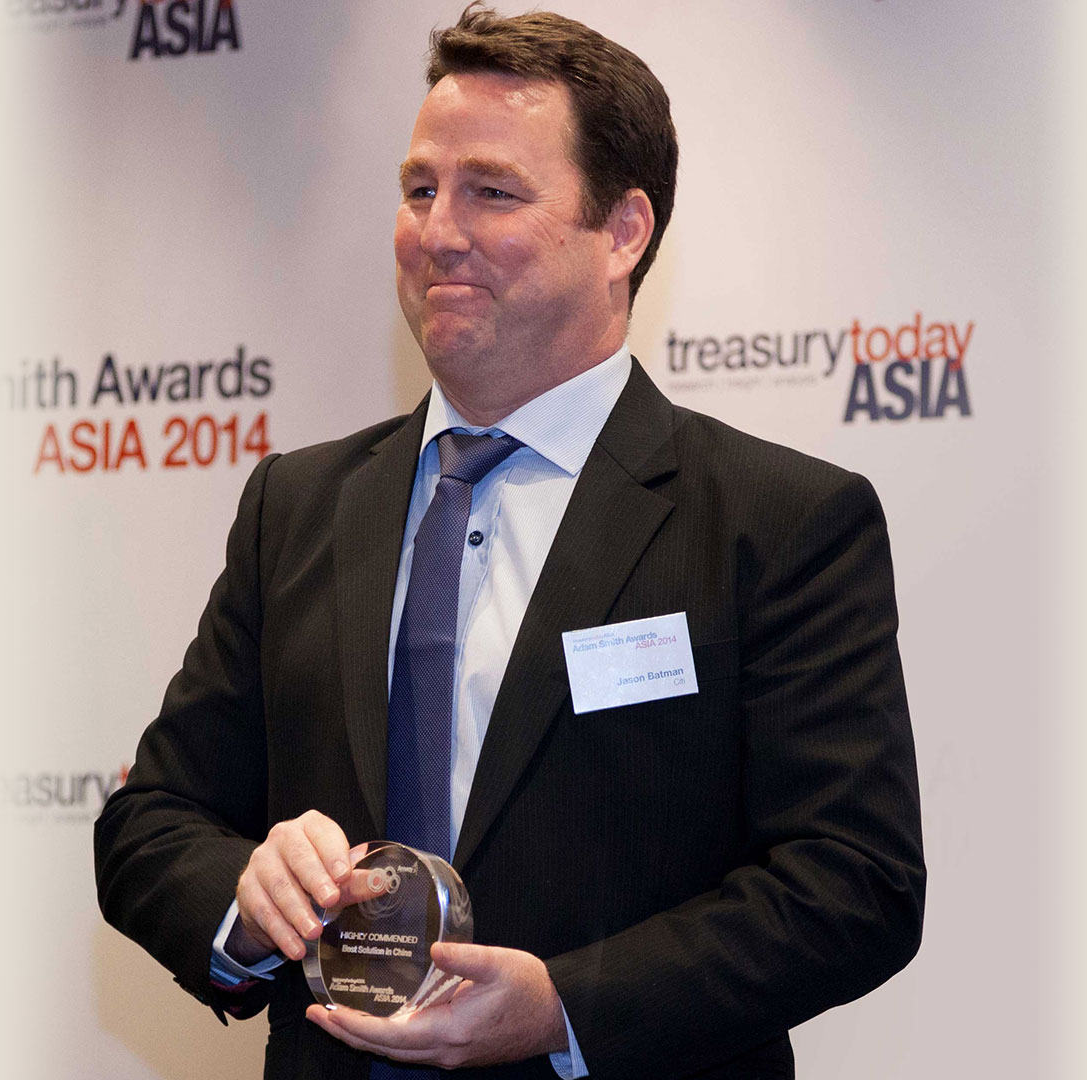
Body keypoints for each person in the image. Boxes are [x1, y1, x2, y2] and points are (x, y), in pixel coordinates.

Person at [93, 6, 925, 1077]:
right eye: (419, 189)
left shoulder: (777, 521)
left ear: (623, 231)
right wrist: (248, 905)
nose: (438, 231)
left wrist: (566, 1009)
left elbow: (854, 881)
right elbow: (152, 822)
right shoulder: (295, 506)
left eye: (491, 192)